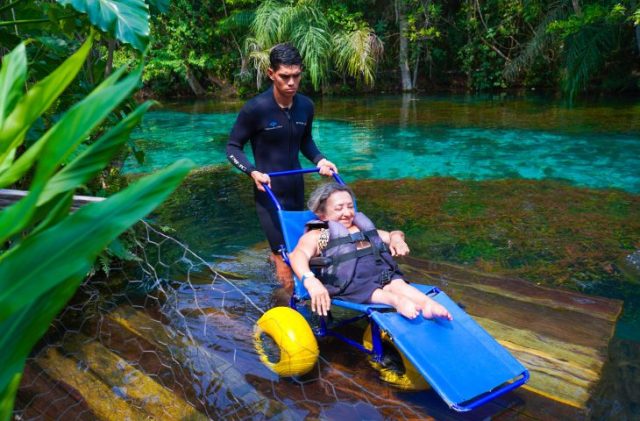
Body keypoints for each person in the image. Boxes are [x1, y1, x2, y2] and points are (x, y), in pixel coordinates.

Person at [226, 43, 337, 291]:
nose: (291, 83)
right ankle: (287, 302)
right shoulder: (256, 109)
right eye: (285, 76)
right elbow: (232, 147)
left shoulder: (306, 106)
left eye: (296, 75)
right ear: (271, 73)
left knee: (306, 249)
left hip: (296, 189)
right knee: (284, 259)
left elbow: (305, 141)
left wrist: (320, 160)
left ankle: (281, 272)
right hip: (269, 193)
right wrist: (252, 171)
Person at [289, 183, 453, 321]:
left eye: (350, 206)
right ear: (322, 215)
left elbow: (392, 234)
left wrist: (397, 239)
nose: (347, 213)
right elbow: (298, 255)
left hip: (382, 274)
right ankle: (397, 302)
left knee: (397, 283)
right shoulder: (323, 234)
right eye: (339, 208)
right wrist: (311, 281)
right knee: (374, 291)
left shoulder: (361, 227)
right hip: (352, 284)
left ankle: (427, 304)